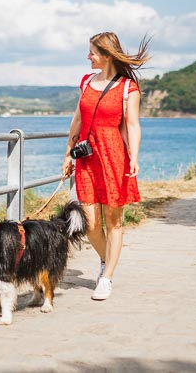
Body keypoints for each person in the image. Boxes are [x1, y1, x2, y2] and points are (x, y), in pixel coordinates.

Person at [61, 31, 150, 301]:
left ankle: (107, 276)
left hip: (114, 157)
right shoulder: (87, 82)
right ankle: (106, 260)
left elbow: (133, 125)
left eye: (92, 52)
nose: (88, 56)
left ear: (107, 55)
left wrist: (134, 156)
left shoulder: (127, 88)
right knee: (89, 223)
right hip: (87, 158)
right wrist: (67, 154)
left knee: (113, 221)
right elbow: (77, 120)